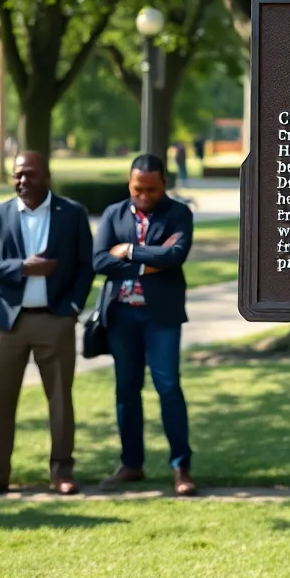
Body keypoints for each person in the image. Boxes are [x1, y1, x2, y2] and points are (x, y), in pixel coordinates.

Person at [0, 152, 94, 497]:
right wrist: (22, 267)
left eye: (29, 175)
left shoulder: (71, 213)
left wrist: (71, 307)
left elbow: (86, 266)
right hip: (7, 323)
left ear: (47, 176)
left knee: (59, 399)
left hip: (55, 320)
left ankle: (62, 472)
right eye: (17, 175)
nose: (22, 181)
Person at [93, 154, 196, 496]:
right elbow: (99, 261)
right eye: (138, 188)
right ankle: (131, 464)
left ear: (164, 183)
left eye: (151, 189)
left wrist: (129, 252)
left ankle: (181, 467)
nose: (144, 195)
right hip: (122, 316)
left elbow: (174, 256)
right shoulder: (114, 214)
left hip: (161, 317)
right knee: (126, 390)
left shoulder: (179, 213)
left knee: (168, 387)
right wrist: (148, 261)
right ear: (129, 182)